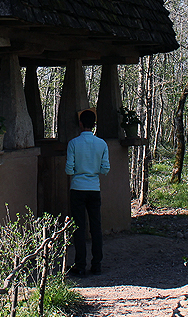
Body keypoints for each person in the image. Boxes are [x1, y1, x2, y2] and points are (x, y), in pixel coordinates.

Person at [65, 108, 109, 275]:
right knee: (96, 227)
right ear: (94, 125)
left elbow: (69, 170)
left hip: (77, 188)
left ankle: (80, 265)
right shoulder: (102, 144)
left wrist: (78, 170)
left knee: (79, 228)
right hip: (94, 189)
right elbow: (105, 169)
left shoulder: (73, 143)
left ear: (80, 124)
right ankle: (97, 264)